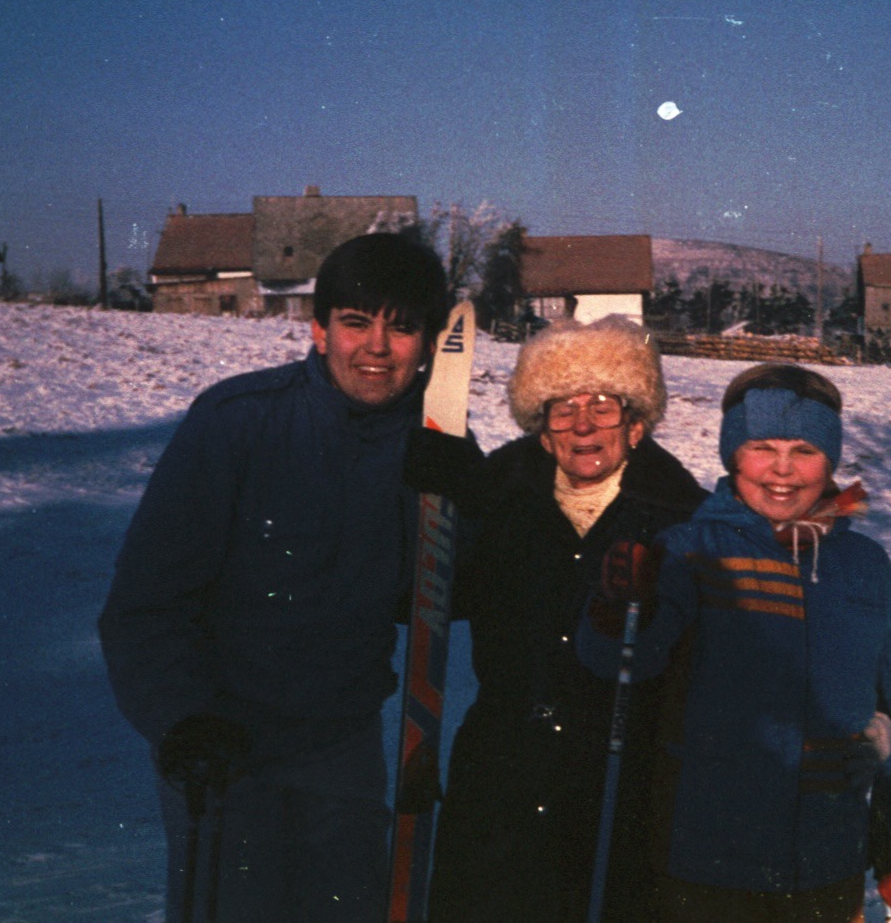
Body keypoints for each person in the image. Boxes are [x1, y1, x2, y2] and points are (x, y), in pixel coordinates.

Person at [97, 232, 455, 923]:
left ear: (428, 343)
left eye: (402, 326)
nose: (377, 346)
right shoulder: (239, 423)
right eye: (356, 322)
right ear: (319, 331)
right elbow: (143, 605)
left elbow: (441, 601)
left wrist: (469, 509)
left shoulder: (432, 449)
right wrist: (184, 719)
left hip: (341, 751)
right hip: (226, 750)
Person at [580, 363, 891, 923]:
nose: (782, 470)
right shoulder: (690, 550)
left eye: (805, 450)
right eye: (761, 447)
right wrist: (617, 609)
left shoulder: (863, 564)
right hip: (707, 861)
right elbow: (622, 664)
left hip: (828, 858)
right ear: (731, 455)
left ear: (832, 460)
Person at [423, 317, 708, 923]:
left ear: (635, 425)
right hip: (501, 785)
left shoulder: (683, 523)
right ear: (543, 431)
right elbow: (420, 601)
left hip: (622, 791)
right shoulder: (496, 504)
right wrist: (424, 504)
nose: (583, 425)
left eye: (603, 407)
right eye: (563, 408)